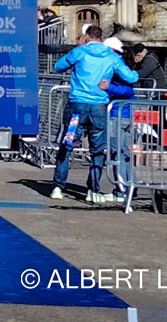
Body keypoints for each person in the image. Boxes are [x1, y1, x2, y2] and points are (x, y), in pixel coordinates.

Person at [49, 25, 139, 203]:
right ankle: (93, 189)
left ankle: (58, 186)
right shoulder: (112, 57)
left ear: (86, 37)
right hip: (99, 106)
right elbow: (131, 78)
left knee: (67, 144)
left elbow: (58, 66)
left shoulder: (80, 52)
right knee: (97, 149)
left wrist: (77, 49)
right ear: (101, 37)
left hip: (78, 105)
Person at [97, 37, 136, 203]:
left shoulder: (117, 66)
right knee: (123, 153)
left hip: (119, 115)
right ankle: (127, 188)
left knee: (118, 153)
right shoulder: (120, 65)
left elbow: (127, 90)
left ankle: (122, 190)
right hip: (122, 114)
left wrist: (109, 88)